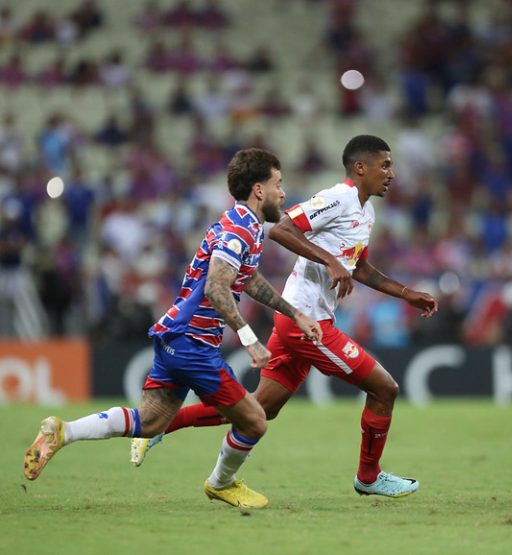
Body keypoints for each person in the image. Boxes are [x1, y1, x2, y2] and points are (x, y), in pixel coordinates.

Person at [131, 135, 439, 497]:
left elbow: (359, 268)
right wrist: (329, 260)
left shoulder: (365, 212)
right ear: (361, 167)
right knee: (385, 388)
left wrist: (406, 294)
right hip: (304, 321)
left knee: (257, 409)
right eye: (385, 165)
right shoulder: (337, 198)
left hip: (305, 320)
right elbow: (281, 229)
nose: (391, 173)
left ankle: (158, 427)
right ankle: (369, 478)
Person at [22, 148, 323, 509]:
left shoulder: (245, 226)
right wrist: (250, 340)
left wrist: (295, 314)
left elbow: (249, 280)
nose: (283, 192)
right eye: (278, 184)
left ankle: (65, 430)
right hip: (193, 343)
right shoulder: (240, 228)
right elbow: (216, 286)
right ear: (259, 189)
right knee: (256, 421)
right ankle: (221, 483)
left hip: (173, 337)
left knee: (149, 422)